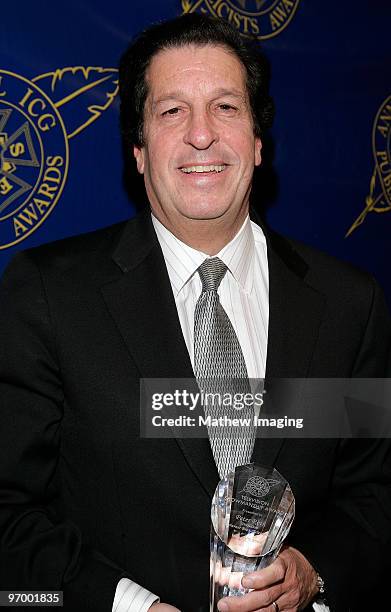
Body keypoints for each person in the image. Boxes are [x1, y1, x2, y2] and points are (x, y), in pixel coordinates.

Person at [0, 13, 390, 612]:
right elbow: (8, 512)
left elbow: (374, 490)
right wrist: (135, 607)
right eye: (171, 111)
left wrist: (312, 572)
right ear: (138, 149)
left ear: (259, 142)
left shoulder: (348, 304)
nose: (201, 135)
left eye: (227, 107)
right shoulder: (48, 296)